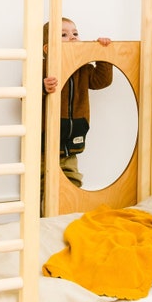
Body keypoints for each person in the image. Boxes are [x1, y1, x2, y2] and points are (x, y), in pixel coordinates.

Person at [42, 17, 113, 187]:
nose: (72, 37)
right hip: (45, 144)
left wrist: (101, 53)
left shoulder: (83, 68)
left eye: (75, 33)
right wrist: (43, 87)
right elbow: (27, 93)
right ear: (48, 48)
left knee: (72, 180)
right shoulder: (42, 69)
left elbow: (101, 81)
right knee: (44, 183)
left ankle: (70, 202)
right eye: (64, 35)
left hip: (72, 141)